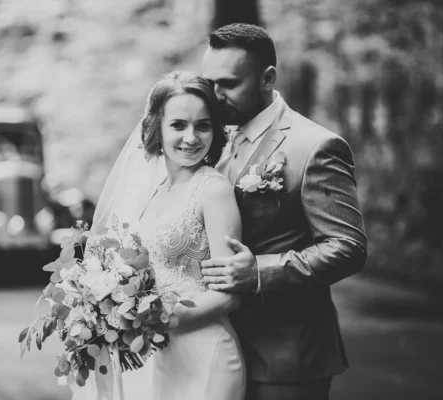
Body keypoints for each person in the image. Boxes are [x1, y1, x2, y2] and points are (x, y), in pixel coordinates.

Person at [199, 23, 367, 400]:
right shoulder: (212, 140)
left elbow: (347, 247)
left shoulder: (316, 147)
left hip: (286, 357)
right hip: (219, 349)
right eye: (208, 83)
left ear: (267, 78)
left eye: (227, 83)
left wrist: (259, 271)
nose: (214, 95)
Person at [84, 71, 247, 400]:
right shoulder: (146, 187)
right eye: (178, 125)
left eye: (202, 125)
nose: (191, 137)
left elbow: (231, 294)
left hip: (201, 354)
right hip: (144, 355)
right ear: (157, 126)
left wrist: (168, 319)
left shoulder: (213, 191)